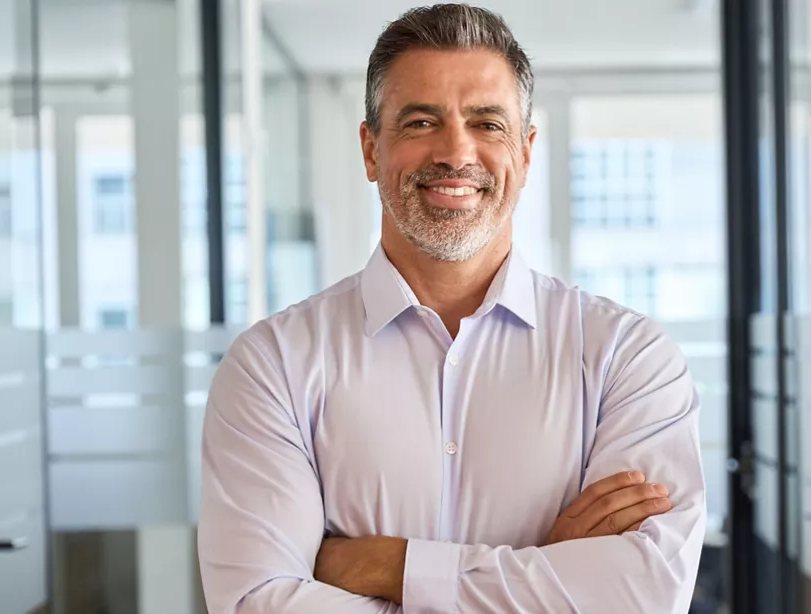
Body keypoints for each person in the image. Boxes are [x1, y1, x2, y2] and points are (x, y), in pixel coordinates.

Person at [198, 4, 707, 612]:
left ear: (524, 152)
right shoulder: (272, 365)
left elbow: (645, 596)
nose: (455, 152)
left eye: (487, 123)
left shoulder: (627, 358)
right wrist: (545, 575)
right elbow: (258, 602)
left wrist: (392, 566)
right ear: (370, 149)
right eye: (419, 122)